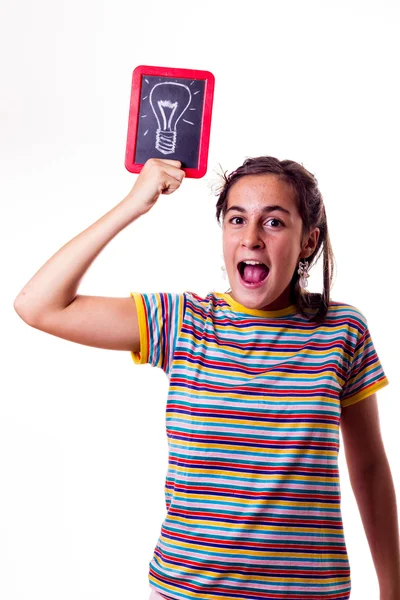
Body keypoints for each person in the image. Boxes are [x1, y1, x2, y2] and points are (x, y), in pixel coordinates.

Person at [13, 157, 399, 600]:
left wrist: (392, 589)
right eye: (237, 220)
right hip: (187, 590)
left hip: (310, 591)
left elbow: (369, 469)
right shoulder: (183, 321)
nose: (251, 238)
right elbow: (38, 305)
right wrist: (134, 204)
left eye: (273, 222)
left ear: (308, 241)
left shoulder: (342, 329)